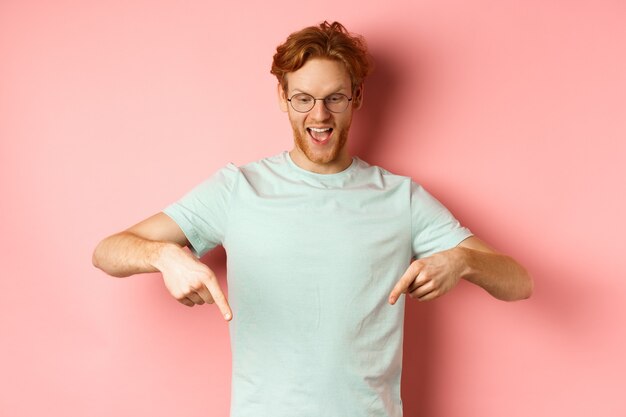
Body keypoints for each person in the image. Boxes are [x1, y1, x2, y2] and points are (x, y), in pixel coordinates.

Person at [93, 21, 532, 417]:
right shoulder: (237, 189)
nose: (319, 116)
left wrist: (462, 261)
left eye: (334, 98)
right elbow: (108, 251)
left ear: (356, 97)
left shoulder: (402, 198)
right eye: (303, 98)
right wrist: (165, 256)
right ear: (283, 98)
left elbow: (518, 282)